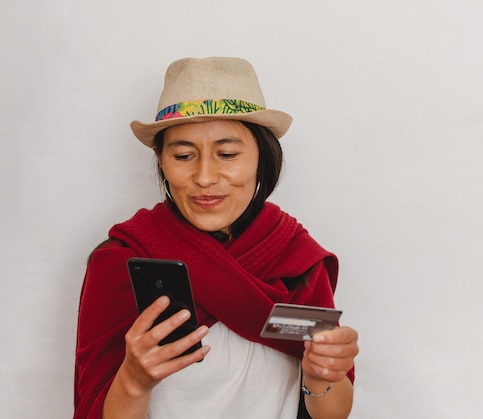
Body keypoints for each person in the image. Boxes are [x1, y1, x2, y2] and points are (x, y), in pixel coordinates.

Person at [73, 56, 359, 419]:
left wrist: (323, 375)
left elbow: (331, 412)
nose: (205, 177)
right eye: (183, 155)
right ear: (161, 160)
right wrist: (134, 378)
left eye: (227, 153)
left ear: (262, 158)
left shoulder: (294, 258)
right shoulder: (123, 262)